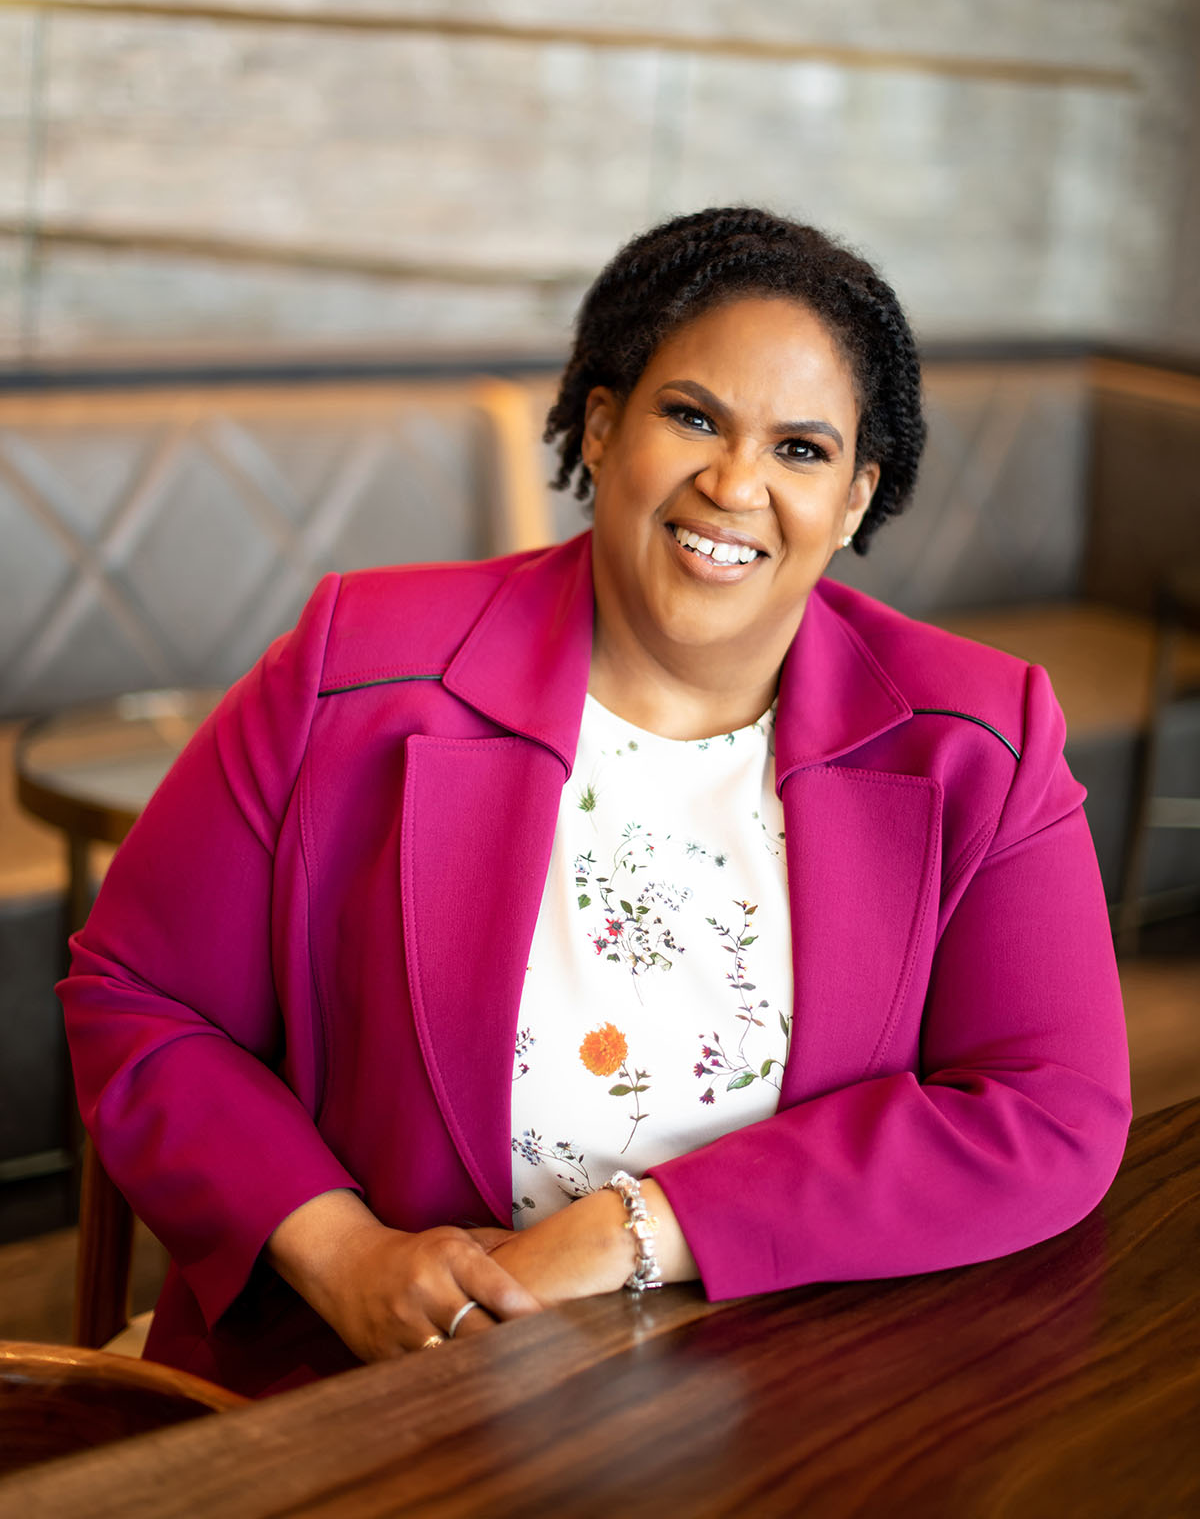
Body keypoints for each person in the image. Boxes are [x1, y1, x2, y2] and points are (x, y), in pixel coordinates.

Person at [60, 207, 1131, 1398]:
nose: (734, 483)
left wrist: (638, 1227)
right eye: (692, 417)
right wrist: (341, 1251)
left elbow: (1053, 1111)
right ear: (607, 424)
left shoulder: (981, 735)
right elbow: (139, 999)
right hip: (368, 1390)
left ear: (856, 498)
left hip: (778, 1389)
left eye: (802, 450)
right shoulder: (355, 665)